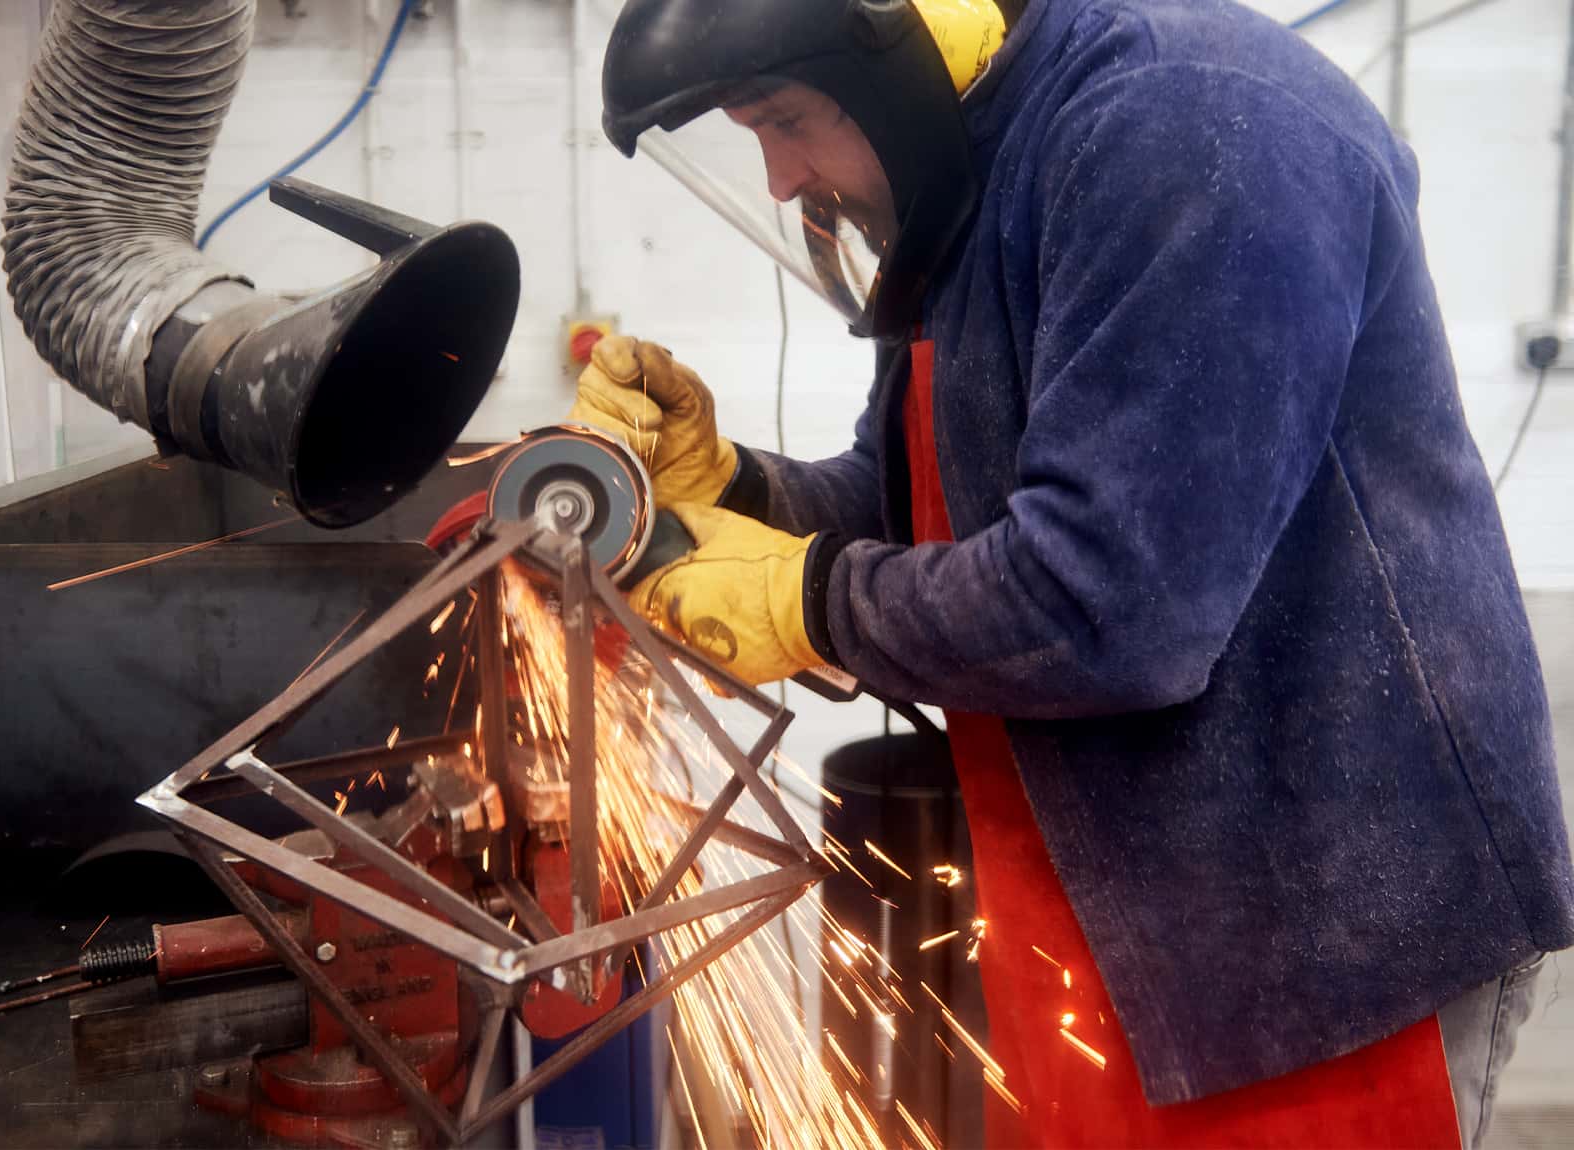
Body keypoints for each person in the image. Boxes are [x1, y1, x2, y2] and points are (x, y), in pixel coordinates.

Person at [568, 0, 1574, 1144]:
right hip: (1109, 904)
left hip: (1314, 930)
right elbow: (925, 514)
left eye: (791, 121)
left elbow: (1112, 606)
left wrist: (803, 602)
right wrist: (738, 493)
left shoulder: (1191, 133)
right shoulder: (969, 172)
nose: (783, 180)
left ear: (898, 53)